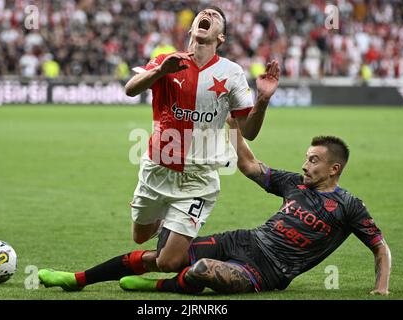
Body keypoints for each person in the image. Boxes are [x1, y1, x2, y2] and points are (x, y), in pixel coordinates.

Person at [38, 5, 281, 288]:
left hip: (198, 179)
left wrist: (262, 100)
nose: (209, 15)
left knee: (168, 262)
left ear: (221, 37)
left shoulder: (232, 72)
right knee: (140, 236)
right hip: (157, 169)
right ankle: (169, 220)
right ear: (192, 28)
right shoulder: (167, 60)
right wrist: (159, 72)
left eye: (215, 16)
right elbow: (130, 89)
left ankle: (159, 258)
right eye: (205, 13)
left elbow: (249, 132)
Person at [38, 121, 391, 296]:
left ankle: (159, 287)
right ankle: (77, 279)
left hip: (268, 271)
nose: (305, 165)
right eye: (305, 158)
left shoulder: (348, 206)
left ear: (334, 169)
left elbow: (380, 248)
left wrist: (382, 287)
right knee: (165, 253)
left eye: (313, 161)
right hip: (242, 240)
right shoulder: (293, 184)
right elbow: (251, 165)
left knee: (203, 268)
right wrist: (235, 125)